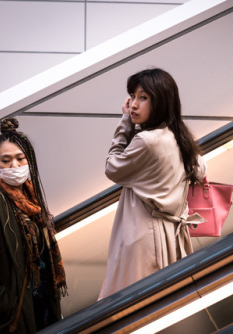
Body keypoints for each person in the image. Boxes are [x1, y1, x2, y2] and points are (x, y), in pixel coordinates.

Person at [98, 68, 207, 299]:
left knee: (134, 302)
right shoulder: (179, 136)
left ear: (160, 102)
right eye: (133, 97)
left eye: (143, 97)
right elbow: (201, 169)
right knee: (168, 300)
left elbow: (112, 167)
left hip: (144, 235)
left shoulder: (147, 141)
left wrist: (125, 124)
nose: (134, 105)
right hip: (173, 235)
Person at [0, 118, 67, 333]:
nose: (15, 166)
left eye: (20, 159)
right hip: (15, 311)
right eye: (6, 160)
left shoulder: (30, 193)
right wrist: (5, 305)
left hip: (41, 297)